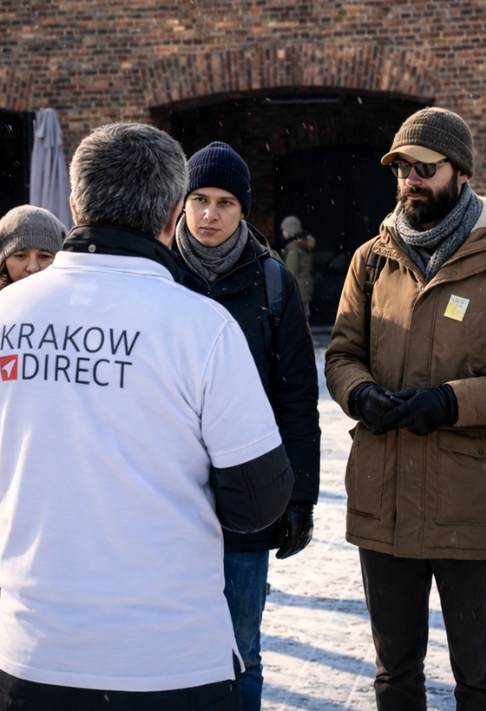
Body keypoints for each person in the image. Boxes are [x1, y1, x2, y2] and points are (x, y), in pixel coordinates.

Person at [0, 122, 294, 709]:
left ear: (75, 206)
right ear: (169, 217)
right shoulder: (203, 328)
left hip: (37, 656)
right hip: (172, 659)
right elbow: (257, 501)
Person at [325, 107, 486, 711]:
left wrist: (450, 402)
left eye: (424, 168)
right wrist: (360, 393)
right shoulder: (370, 260)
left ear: (460, 173)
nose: (410, 179)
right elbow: (341, 355)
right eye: (401, 168)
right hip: (385, 499)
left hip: (470, 506)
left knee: (477, 677)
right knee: (394, 674)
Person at [173, 142, 321, 711]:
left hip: (249, 495)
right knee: (168, 653)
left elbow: (296, 401)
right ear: (182, 203)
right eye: (200, 199)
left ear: (244, 210)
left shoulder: (273, 284)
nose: (210, 214)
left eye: (226, 202)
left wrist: (299, 496)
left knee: (241, 652)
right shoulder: (155, 273)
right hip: (167, 497)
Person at [0, 204, 67, 624]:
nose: (32, 267)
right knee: (14, 609)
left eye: (45, 257)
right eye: (21, 257)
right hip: (1, 474)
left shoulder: (73, 309)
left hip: (59, 477)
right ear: (1, 262)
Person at [280, 215, 315, 316]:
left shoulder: (293, 248)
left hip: (297, 288)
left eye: (285, 230)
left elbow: (291, 270)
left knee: (297, 317)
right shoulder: (303, 245)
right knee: (304, 316)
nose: (283, 232)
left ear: (291, 231)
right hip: (304, 286)